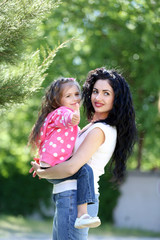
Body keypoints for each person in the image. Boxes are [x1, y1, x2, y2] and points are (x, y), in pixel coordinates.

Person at [30, 67, 137, 240]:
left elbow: (72, 167)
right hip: (67, 196)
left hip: (75, 198)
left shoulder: (100, 130)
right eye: (95, 91)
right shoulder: (88, 127)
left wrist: (43, 172)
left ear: (116, 98)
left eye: (106, 93)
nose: (98, 97)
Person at [28, 77, 101, 229]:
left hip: (51, 166)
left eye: (76, 94)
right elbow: (64, 119)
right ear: (57, 101)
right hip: (55, 167)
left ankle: (83, 214)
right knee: (85, 171)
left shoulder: (55, 114)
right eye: (68, 96)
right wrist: (72, 118)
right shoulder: (62, 112)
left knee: (82, 170)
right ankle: (82, 215)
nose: (74, 98)